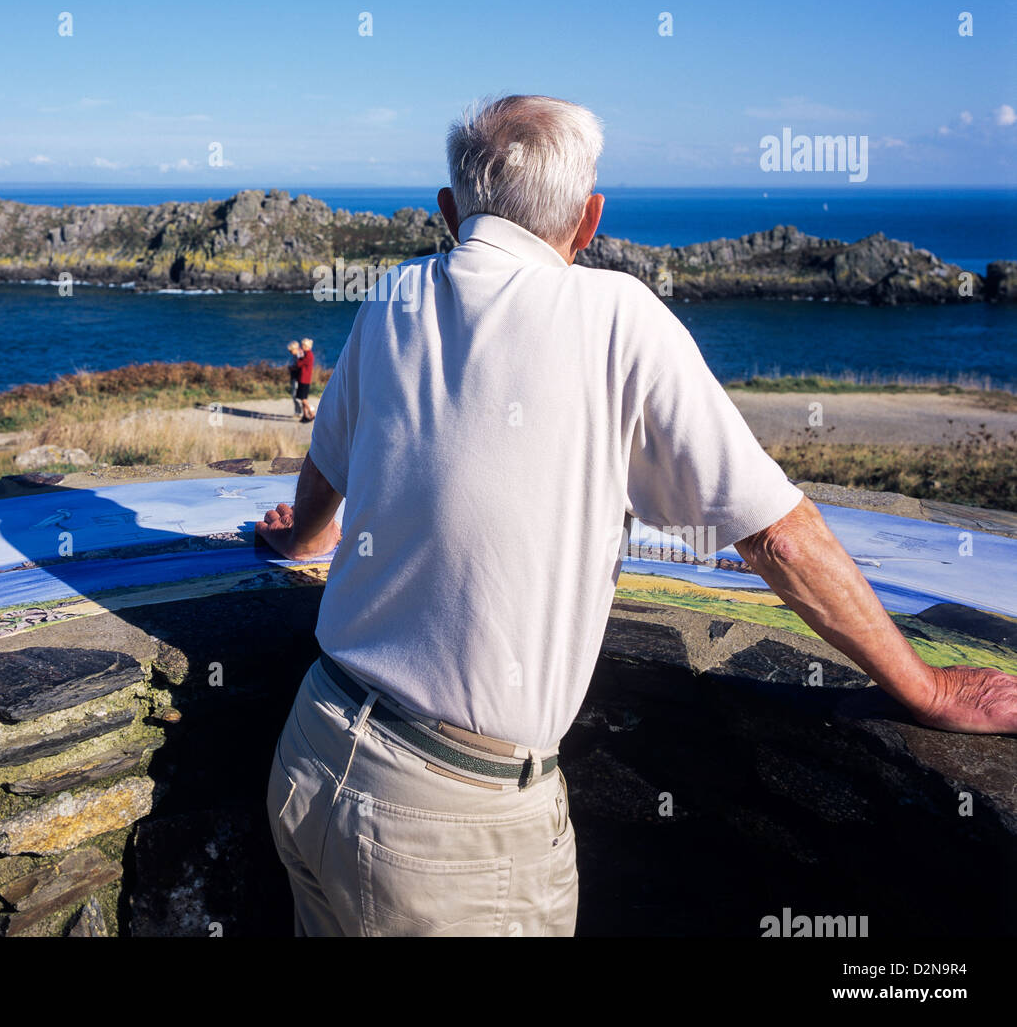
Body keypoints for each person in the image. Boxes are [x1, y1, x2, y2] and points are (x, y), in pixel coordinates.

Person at [256, 92, 1017, 939]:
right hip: (450, 827)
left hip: (314, 744)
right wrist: (926, 686)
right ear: (589, 221)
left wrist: (302, 538)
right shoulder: (617, 315)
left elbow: (328, 461)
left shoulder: (394, 295)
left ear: (448, 210)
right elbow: (777, 535)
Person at [295, 338, 315, 423]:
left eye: (303, 345)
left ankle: (312, 413)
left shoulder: (308, 355)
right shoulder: (307, 354)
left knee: (303, 398)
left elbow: (299, 364)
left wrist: (299, 356)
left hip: (304, 379)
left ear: (307, 346)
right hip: (303, 378)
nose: (301, 346)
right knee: (303, 397)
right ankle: (305, 415)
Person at [285, 341, 303, 418]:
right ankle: (297, 411)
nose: (290, 352)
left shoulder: (299, 356)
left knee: (296, 395)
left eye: (291, 350)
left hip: (297, 378)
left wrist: (292, 368)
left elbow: (300, 367)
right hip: (294, 377)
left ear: (295, 349)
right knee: (294, 395)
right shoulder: (295, 356)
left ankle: (300, 412)